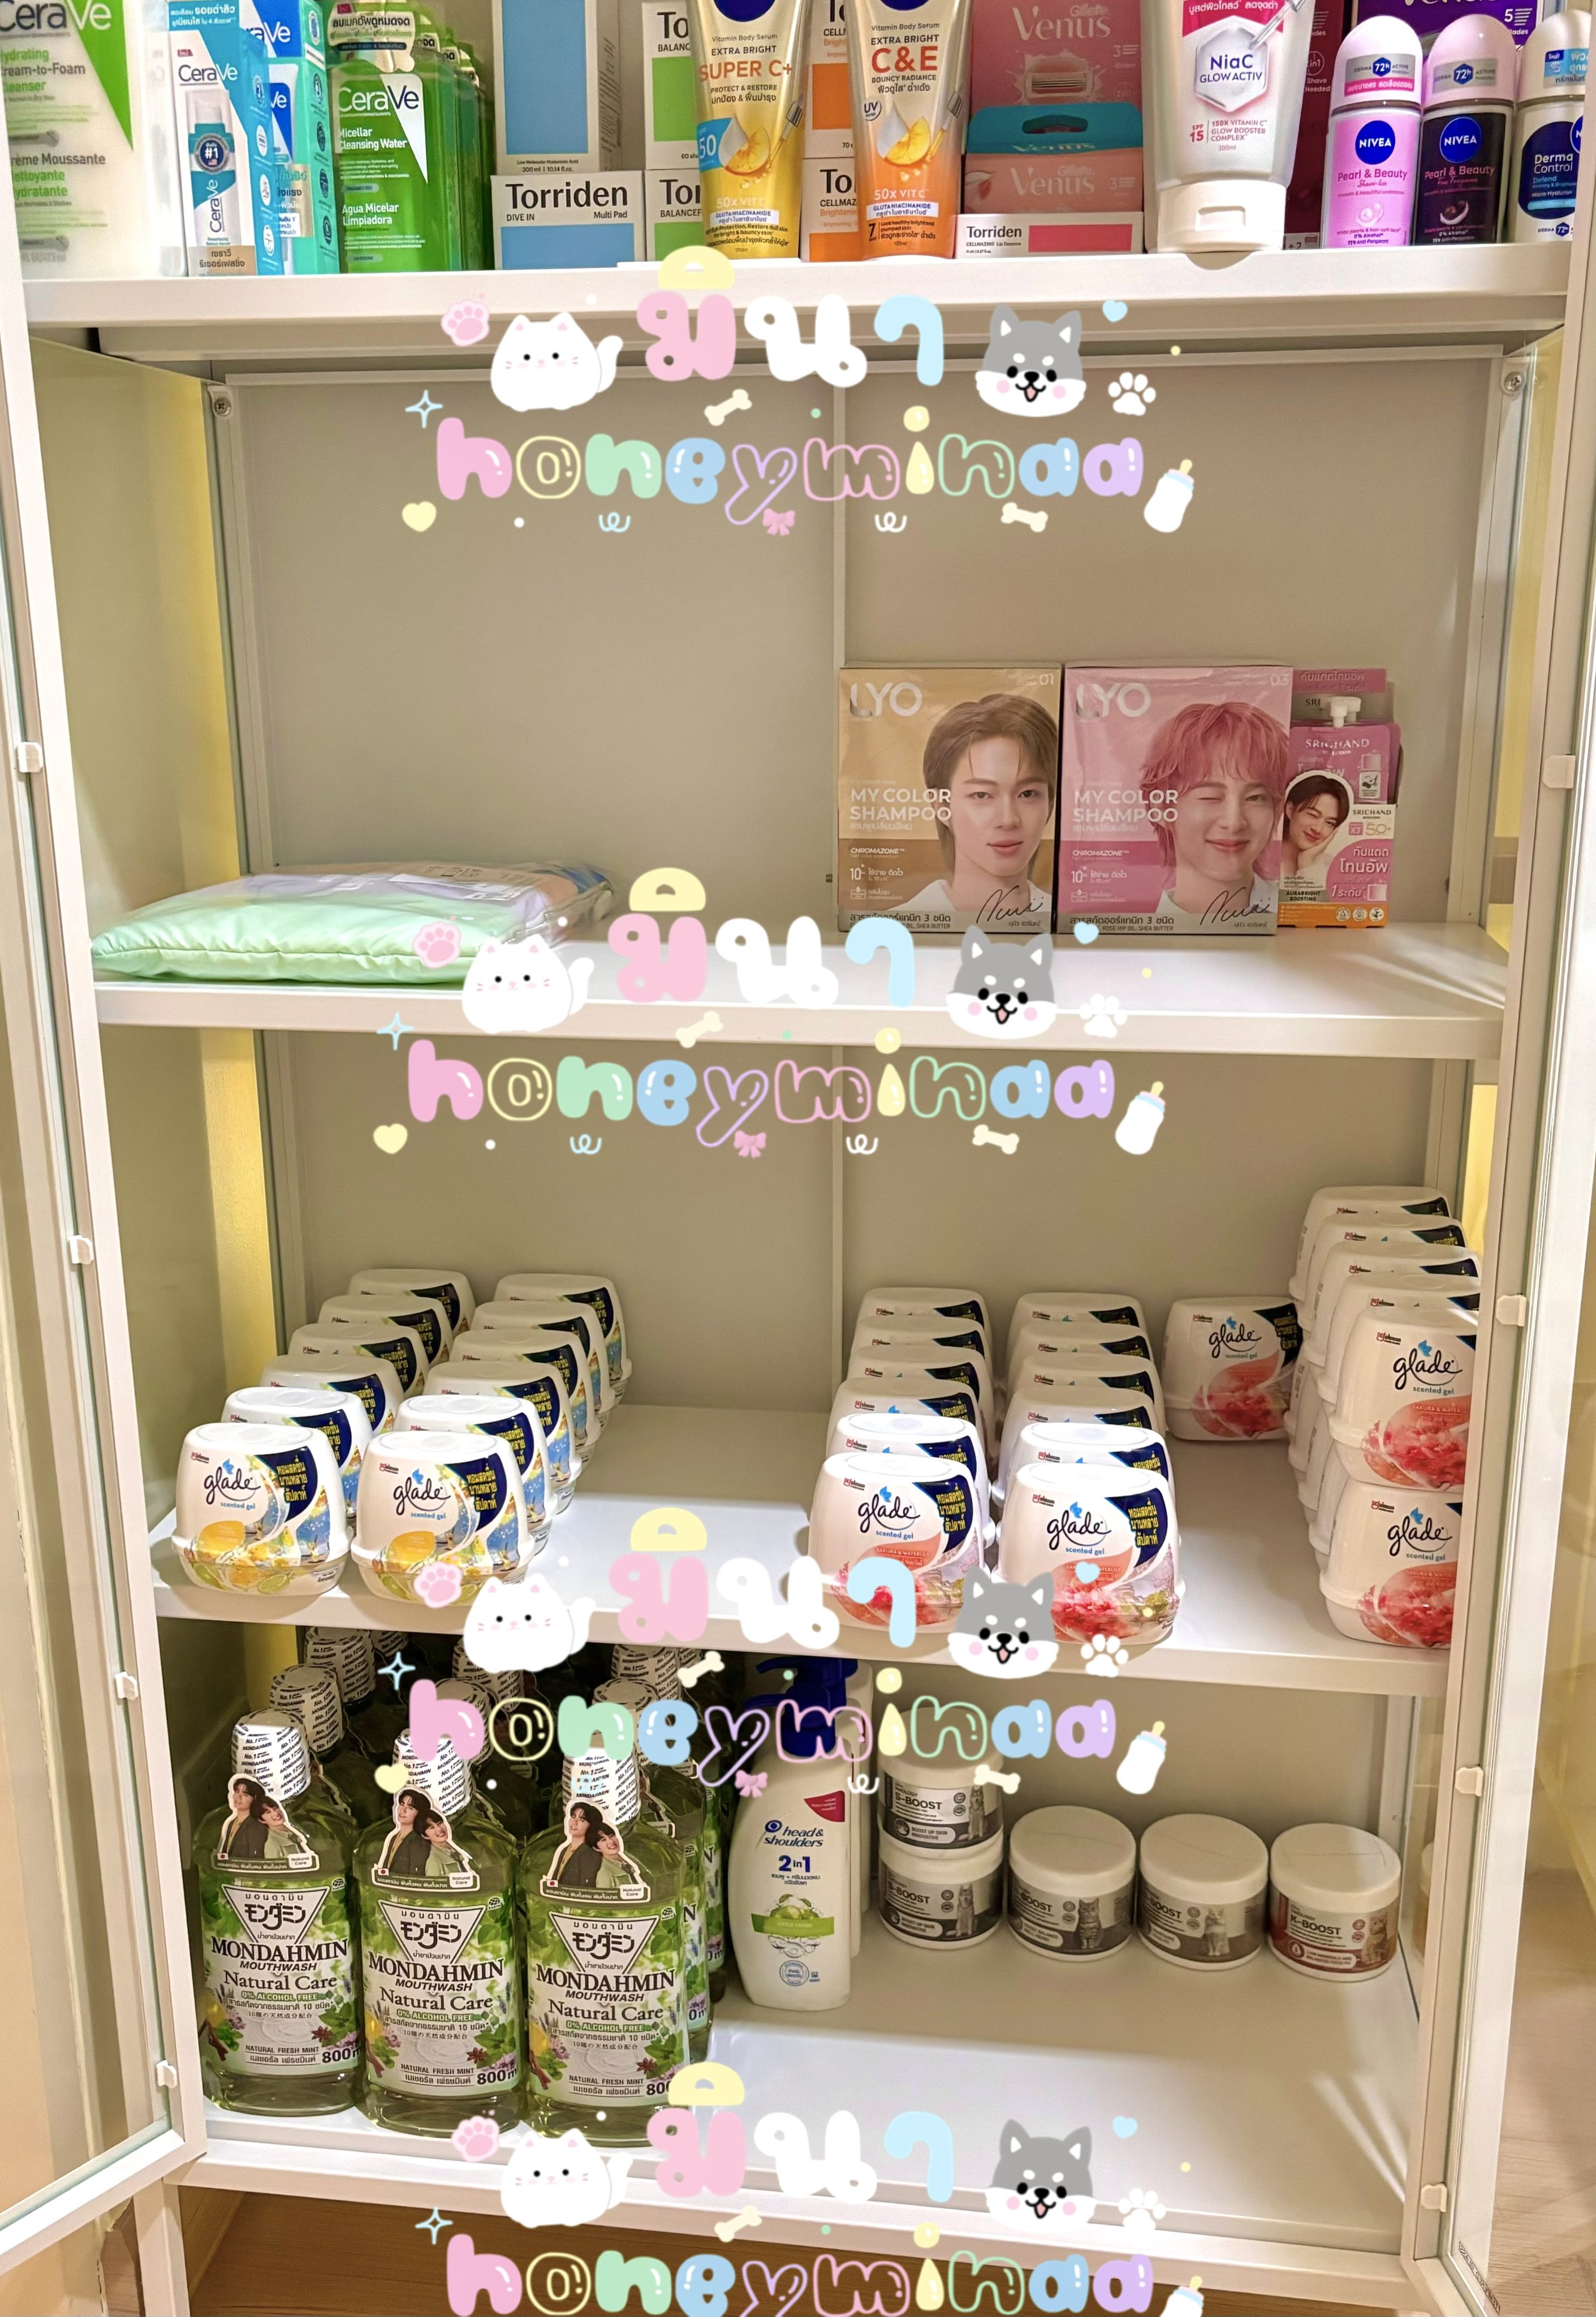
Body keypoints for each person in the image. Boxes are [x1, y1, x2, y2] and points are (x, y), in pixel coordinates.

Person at [904, 692, 1059, 931]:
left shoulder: (1071, 925)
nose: (1008, 820)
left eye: (1028, 794)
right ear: (941, 806)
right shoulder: (895, 929)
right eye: (982, 795)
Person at [1138, 700, 1289, 930]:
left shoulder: (1299, 911)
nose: (1234, 822)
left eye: (1255, 798)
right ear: (1160, 807)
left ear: (1277, 810)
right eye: (1210, 797)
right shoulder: (1131, 924)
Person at [1279, 772, 1351, 888]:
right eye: (1313, 815)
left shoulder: (1332, 869)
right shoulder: (1261, 863)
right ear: (1290, 810)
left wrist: (1307, 865)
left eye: (1330, 823)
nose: (1318, 829)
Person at [377, 1788, 449, 1879]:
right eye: (402, 1804)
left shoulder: (419, 1843)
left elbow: (417, 1880)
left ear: (420, 1814)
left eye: (410, 1808)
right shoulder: (394, 1837)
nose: (403, 1810)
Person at [547, 1799, 606, 1889]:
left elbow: (586, 1890)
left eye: (582, 1820)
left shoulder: (591, 1855)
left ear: (591, 1826)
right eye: (573, 1817)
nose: (574, 1823)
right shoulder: (565, 1849)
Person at [219, 1776, 271, 1862]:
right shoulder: (232, 1823)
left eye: (245, 1795)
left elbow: (256, 1860)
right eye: (237, 1792)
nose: (239, 1797)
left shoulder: (257, 1827)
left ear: (254, 1799)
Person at [593, 1825, 631, 1892]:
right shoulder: (604, 1874)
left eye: (612, 1836)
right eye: (603, 1840)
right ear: (596, 1848)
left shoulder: (630, 1858)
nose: (611, 1841)